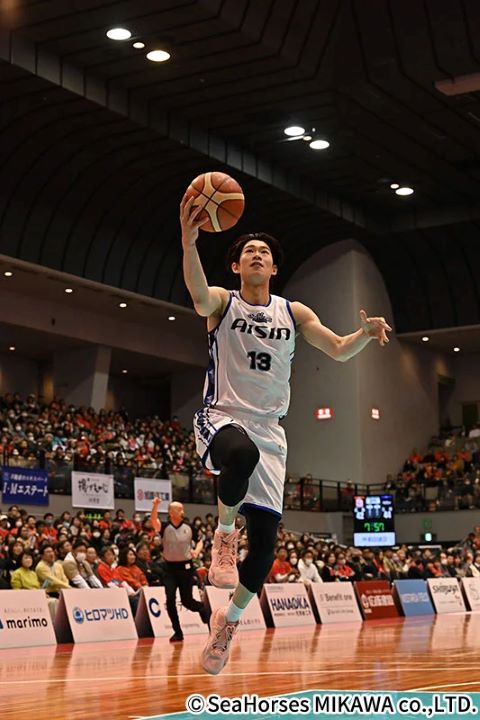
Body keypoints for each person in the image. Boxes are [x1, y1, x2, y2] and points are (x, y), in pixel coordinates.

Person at [180, 195, 391, 674]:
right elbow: (198, 295)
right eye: (248, 251)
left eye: (264, 252)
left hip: (271, 431)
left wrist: (363, 335)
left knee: (266, 549)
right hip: (223, 415)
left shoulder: (293, 313)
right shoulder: (223, 303)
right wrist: (189, 241)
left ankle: (228, 622)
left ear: (274, 268)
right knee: (240, 454)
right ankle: (223, 535)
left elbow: (337, 349)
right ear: (236, 266)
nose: (257, 255)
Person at [151, 497, 209, 642]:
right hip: (169, 569)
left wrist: (197, 551)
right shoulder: (165, 527)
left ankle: (202, 609)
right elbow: (154, 522)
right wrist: (155, 506)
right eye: (179, 509)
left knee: (187, 601)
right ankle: (177, 632)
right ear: (171, 512)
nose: (182, 511)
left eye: (182, 509)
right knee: (170, 599)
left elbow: (200, 540)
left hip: (186, 569)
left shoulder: (189, 527)